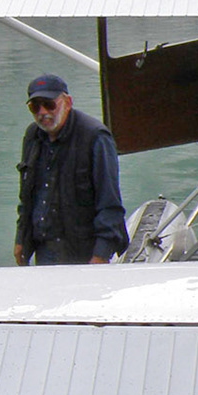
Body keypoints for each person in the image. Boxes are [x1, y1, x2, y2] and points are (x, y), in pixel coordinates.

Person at [12, 73, 128, 267]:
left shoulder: (95, 137)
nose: (42, 112)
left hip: (84, 250)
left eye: (49, 104)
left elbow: (110, 203)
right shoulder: (32, 136)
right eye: (35, 107)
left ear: (67, 102)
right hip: (45, 248)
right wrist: (20, 240)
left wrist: (100, 255)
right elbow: (27, 197)